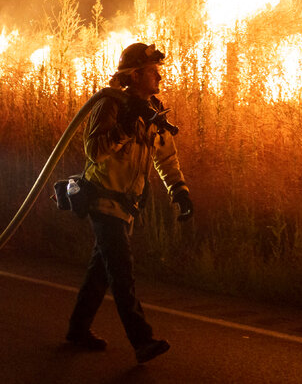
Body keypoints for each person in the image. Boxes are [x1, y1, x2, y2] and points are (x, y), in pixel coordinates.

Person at [64, 42, 194, 364]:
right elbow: (95, 152)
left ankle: (77, 330)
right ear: (135, 75)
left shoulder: (153, 110)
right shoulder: (110, 106)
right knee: (121, 271)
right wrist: (124, 125)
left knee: (101, 272)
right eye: (153, 72)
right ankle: (142, 341)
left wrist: (178, 190)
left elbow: (166, 155)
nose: (160, 77)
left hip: (127, 208)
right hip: (103, 202)